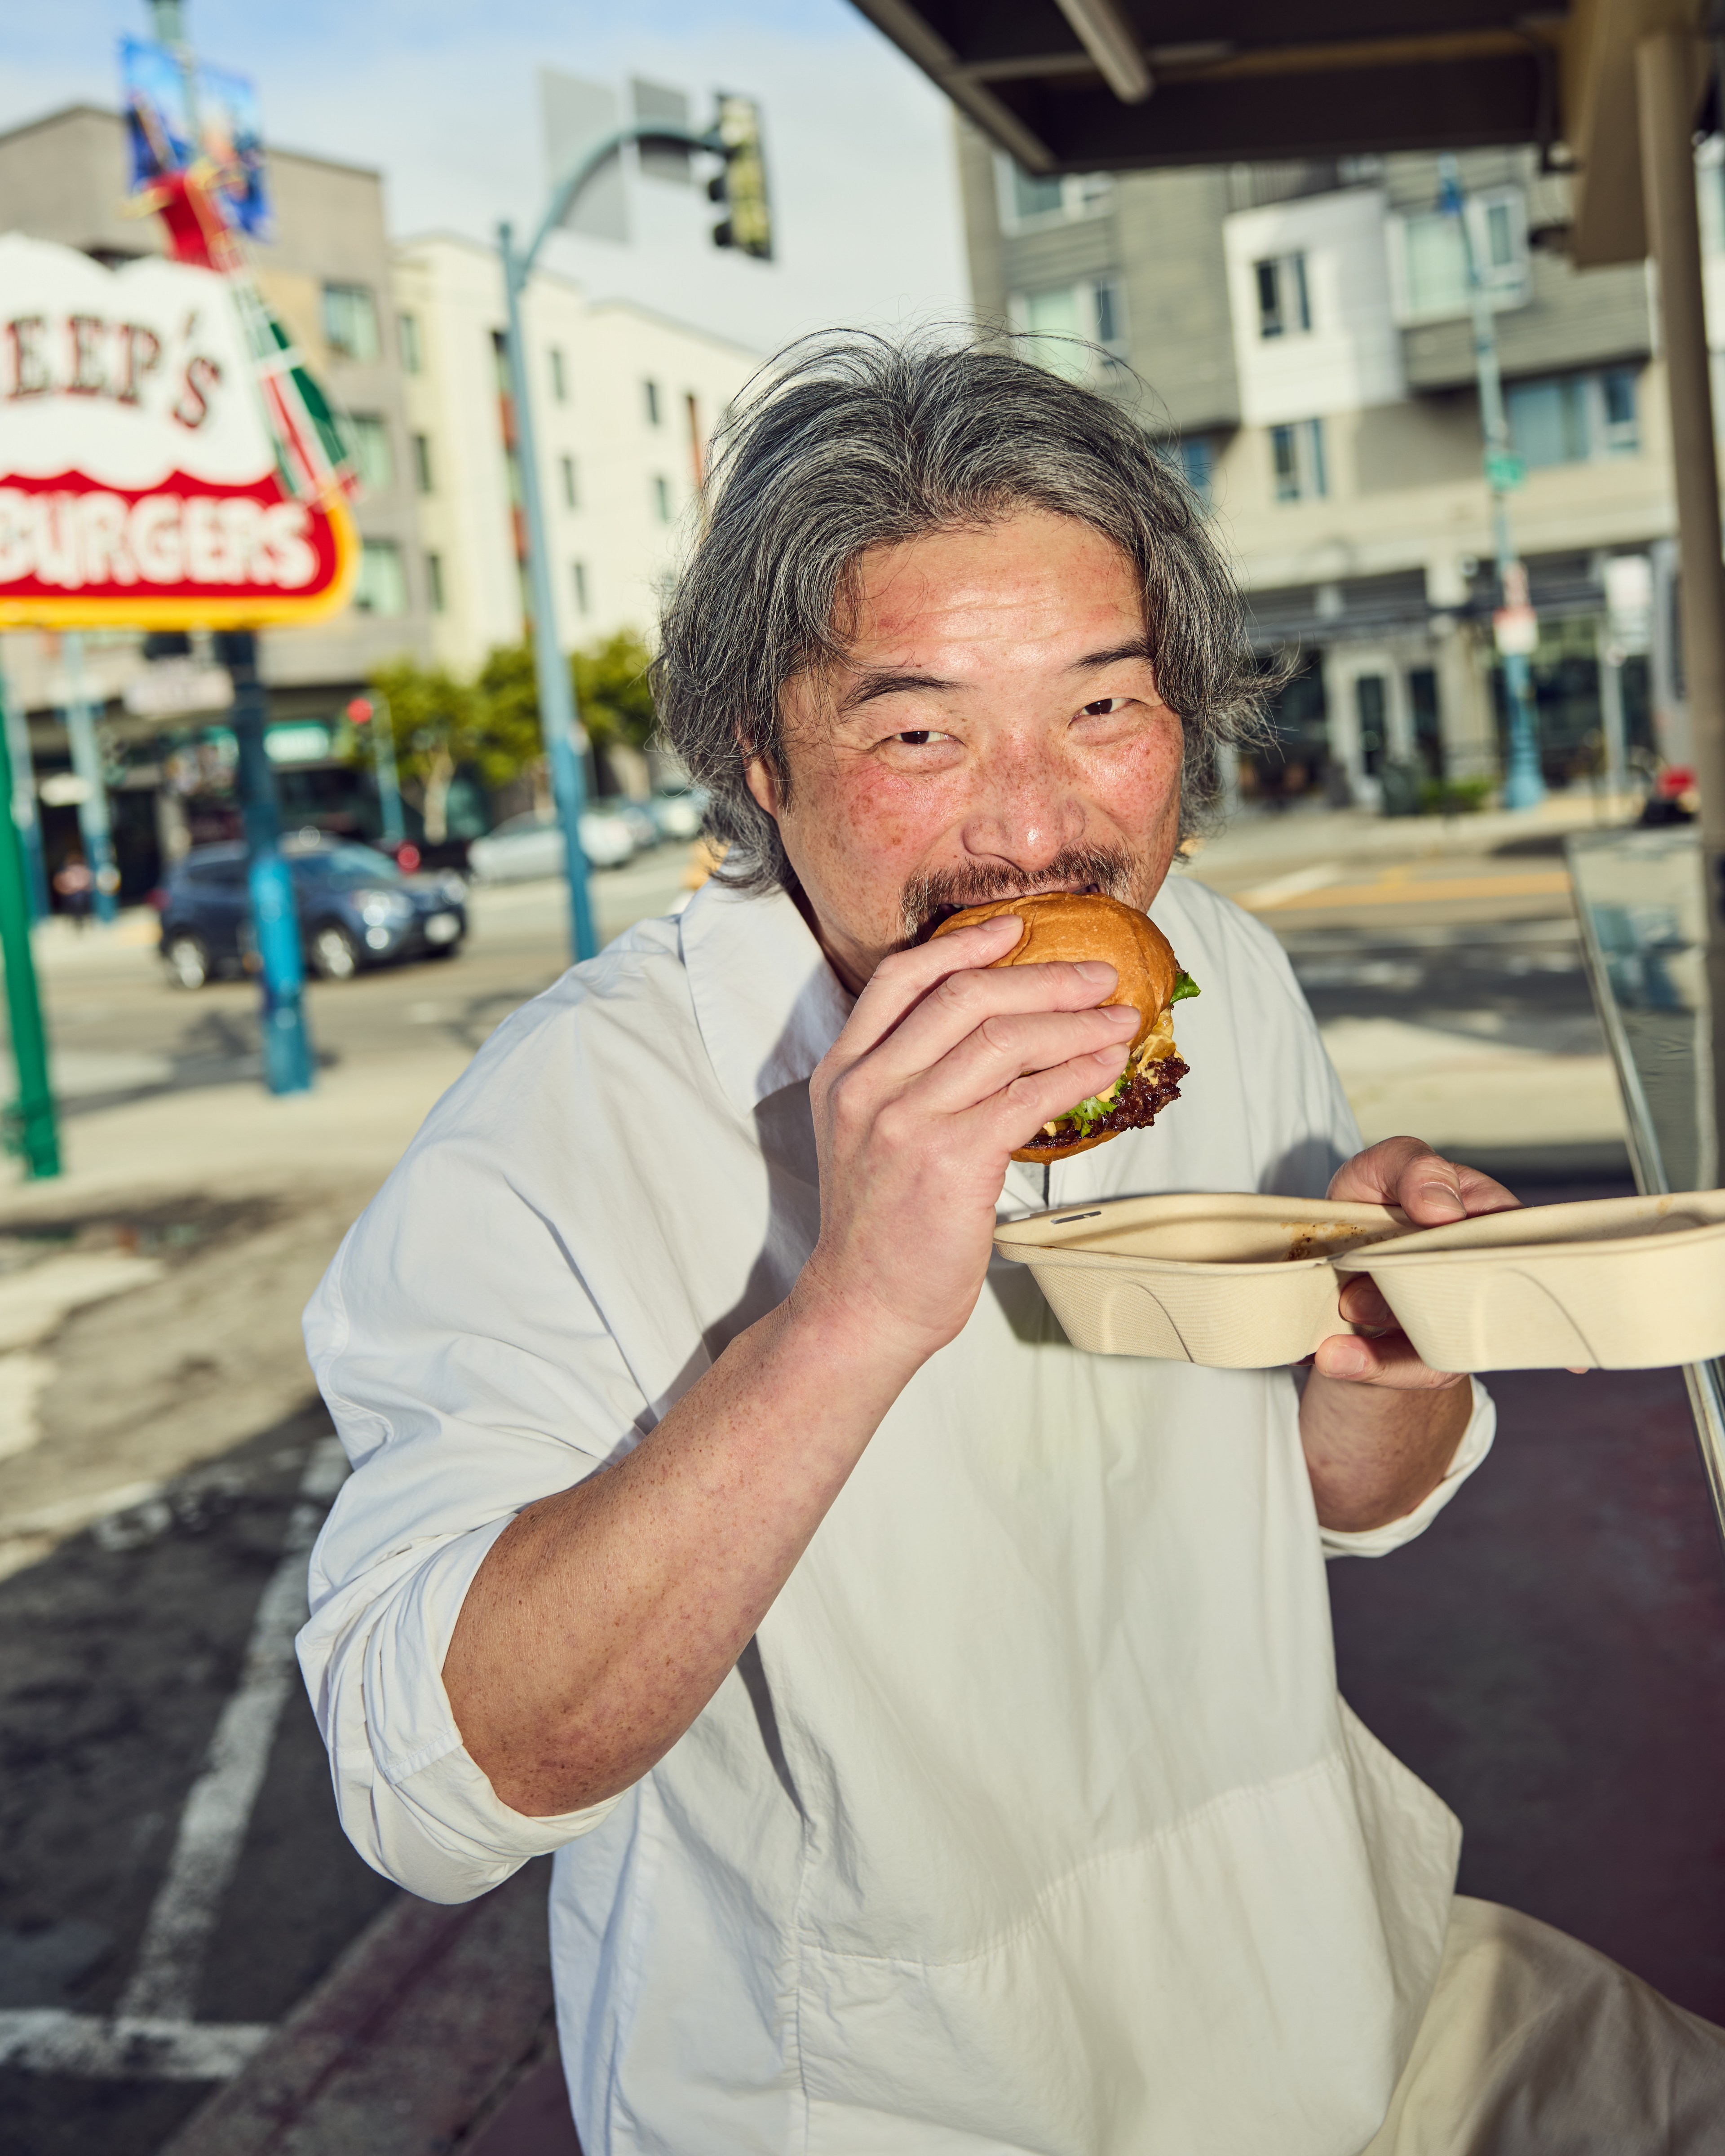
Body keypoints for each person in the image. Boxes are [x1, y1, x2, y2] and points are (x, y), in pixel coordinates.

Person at [298, 336, 1725, 2154]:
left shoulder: (1218, 967)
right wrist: (854, 1315)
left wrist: (1390, 1355)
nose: (1037, 825)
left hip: (1344, 1981)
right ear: (757, 754)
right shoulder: (561, 1127)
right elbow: (435, 1793)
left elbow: (1346, 1495)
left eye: (1104, 710)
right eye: (918, 731)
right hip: (919, 2102)